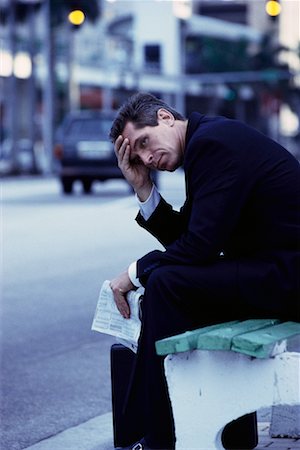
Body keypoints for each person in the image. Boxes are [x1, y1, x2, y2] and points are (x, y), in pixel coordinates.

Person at [108, 92, 300, 450]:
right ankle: (156, 433)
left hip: (286, 276)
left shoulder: (213, 144)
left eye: (144, 143)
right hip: (272, 273)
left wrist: (133, 273)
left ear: (165, 117)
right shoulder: (206, 140)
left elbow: (198, 247)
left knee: (164, 284)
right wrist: (144, 188)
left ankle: (155, 437)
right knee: (166, 286)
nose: (148, 158)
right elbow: (193, 239)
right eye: (138, 157)